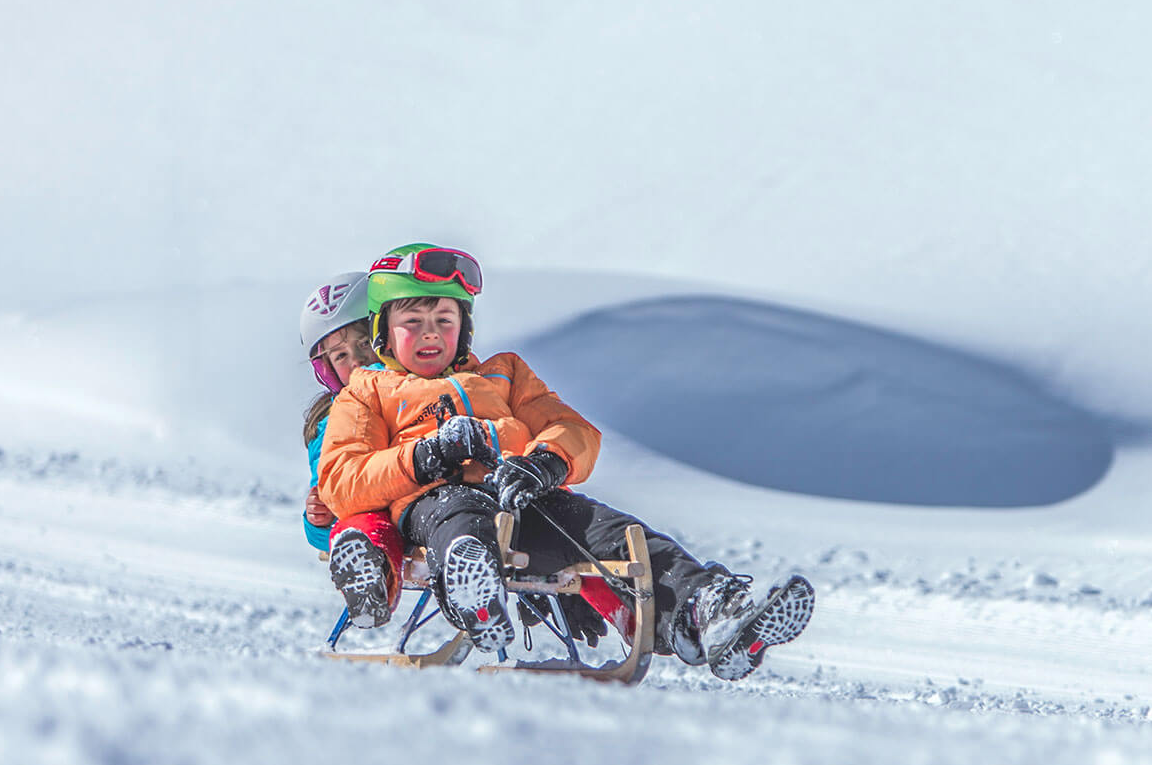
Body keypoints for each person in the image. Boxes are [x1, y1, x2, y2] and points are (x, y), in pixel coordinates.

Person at [317, 243, 813, 679]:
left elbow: (573, 429)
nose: (430, 334)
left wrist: (545, 463)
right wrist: (424, 456)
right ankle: (475, 596)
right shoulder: (366, 392)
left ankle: (707, 612)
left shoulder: (504, 373)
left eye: (444, 320)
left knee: (609, 530)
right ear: (383, 332)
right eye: (413, 323)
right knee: (460, 517)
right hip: (431, 506)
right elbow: (342, 481)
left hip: (519, 501)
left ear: (464, 328)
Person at [298, 272, 406, 628]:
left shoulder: (417, 390)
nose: (357, 361)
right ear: (327, 370)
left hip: (427, 508)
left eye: (364, 344)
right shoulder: (330, 422)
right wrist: (320, 519)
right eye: (341, 356)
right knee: (359, 525)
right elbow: (327, 494)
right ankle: (366, 586)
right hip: (371, 521)